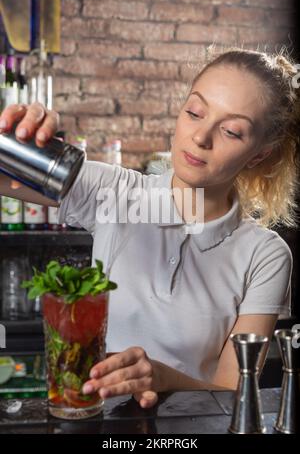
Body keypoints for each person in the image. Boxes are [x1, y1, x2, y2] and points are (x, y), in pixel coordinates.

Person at [0, 48, 298, 409]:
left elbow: (236, 394)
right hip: (95, 420)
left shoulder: (264, 255)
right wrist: (14, 135)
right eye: (194, 112)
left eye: (232, 131)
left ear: (259, 153)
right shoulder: (115, 193)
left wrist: (162, 377)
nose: (200, 137)